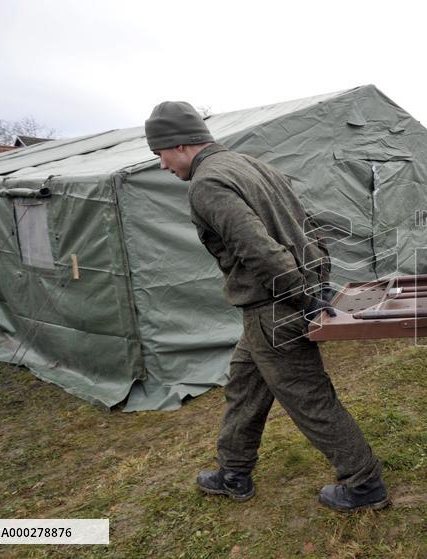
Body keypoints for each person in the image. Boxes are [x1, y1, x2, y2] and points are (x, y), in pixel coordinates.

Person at [144, 101, 389, 511]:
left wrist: (304, 296)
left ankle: (364, 483)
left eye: (160, 153)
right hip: (281, 300)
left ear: (180, 144)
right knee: (244, 385)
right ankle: (233, 472)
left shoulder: (207, 183)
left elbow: (257, 249)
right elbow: (309, 227)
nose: (162, 165)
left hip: (275, 306)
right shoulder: (254, 166)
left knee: (309, 398)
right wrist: (316, 282)